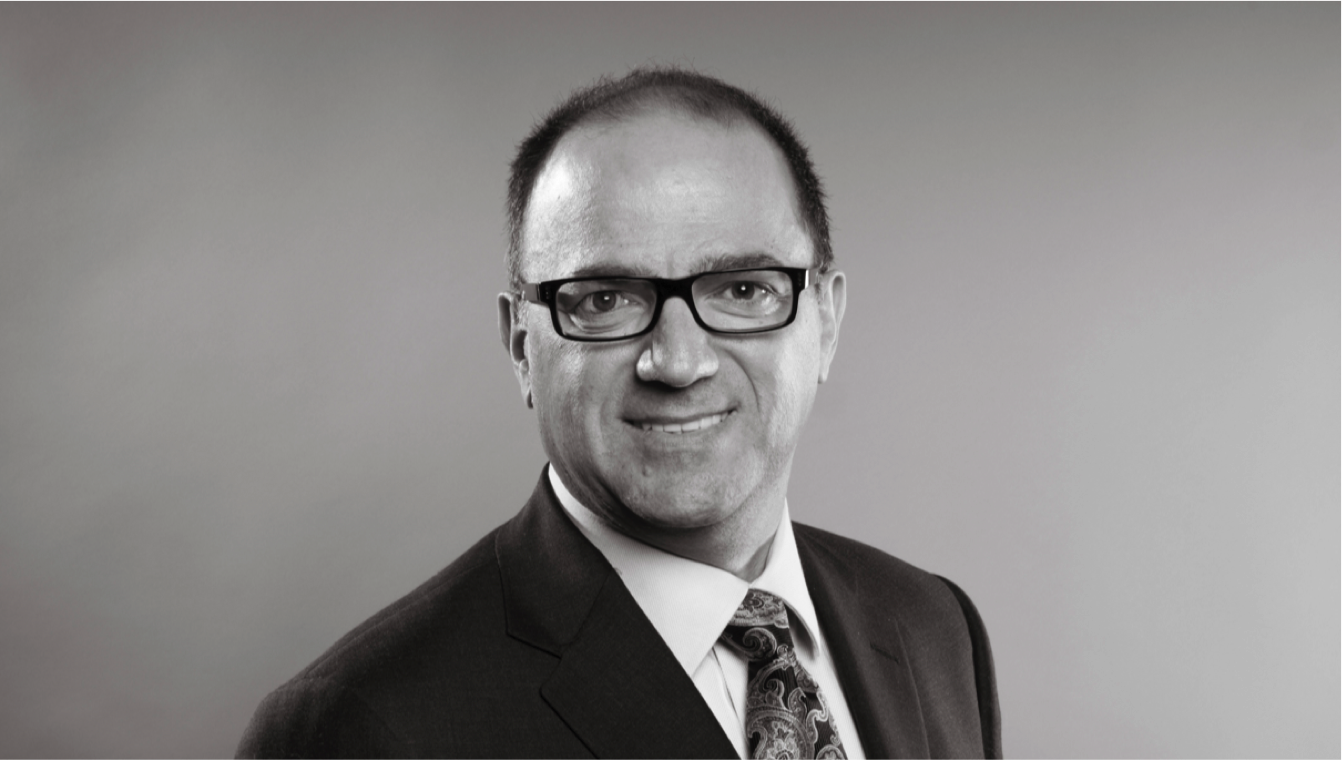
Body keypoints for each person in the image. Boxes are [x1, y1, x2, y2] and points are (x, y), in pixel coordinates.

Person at [236, 67, 1001, 760]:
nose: (678, 361)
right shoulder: (360, 728)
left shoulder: (933, 627)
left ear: (825, 321)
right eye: (605, 300)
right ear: (521, 345)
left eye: (743, 290)